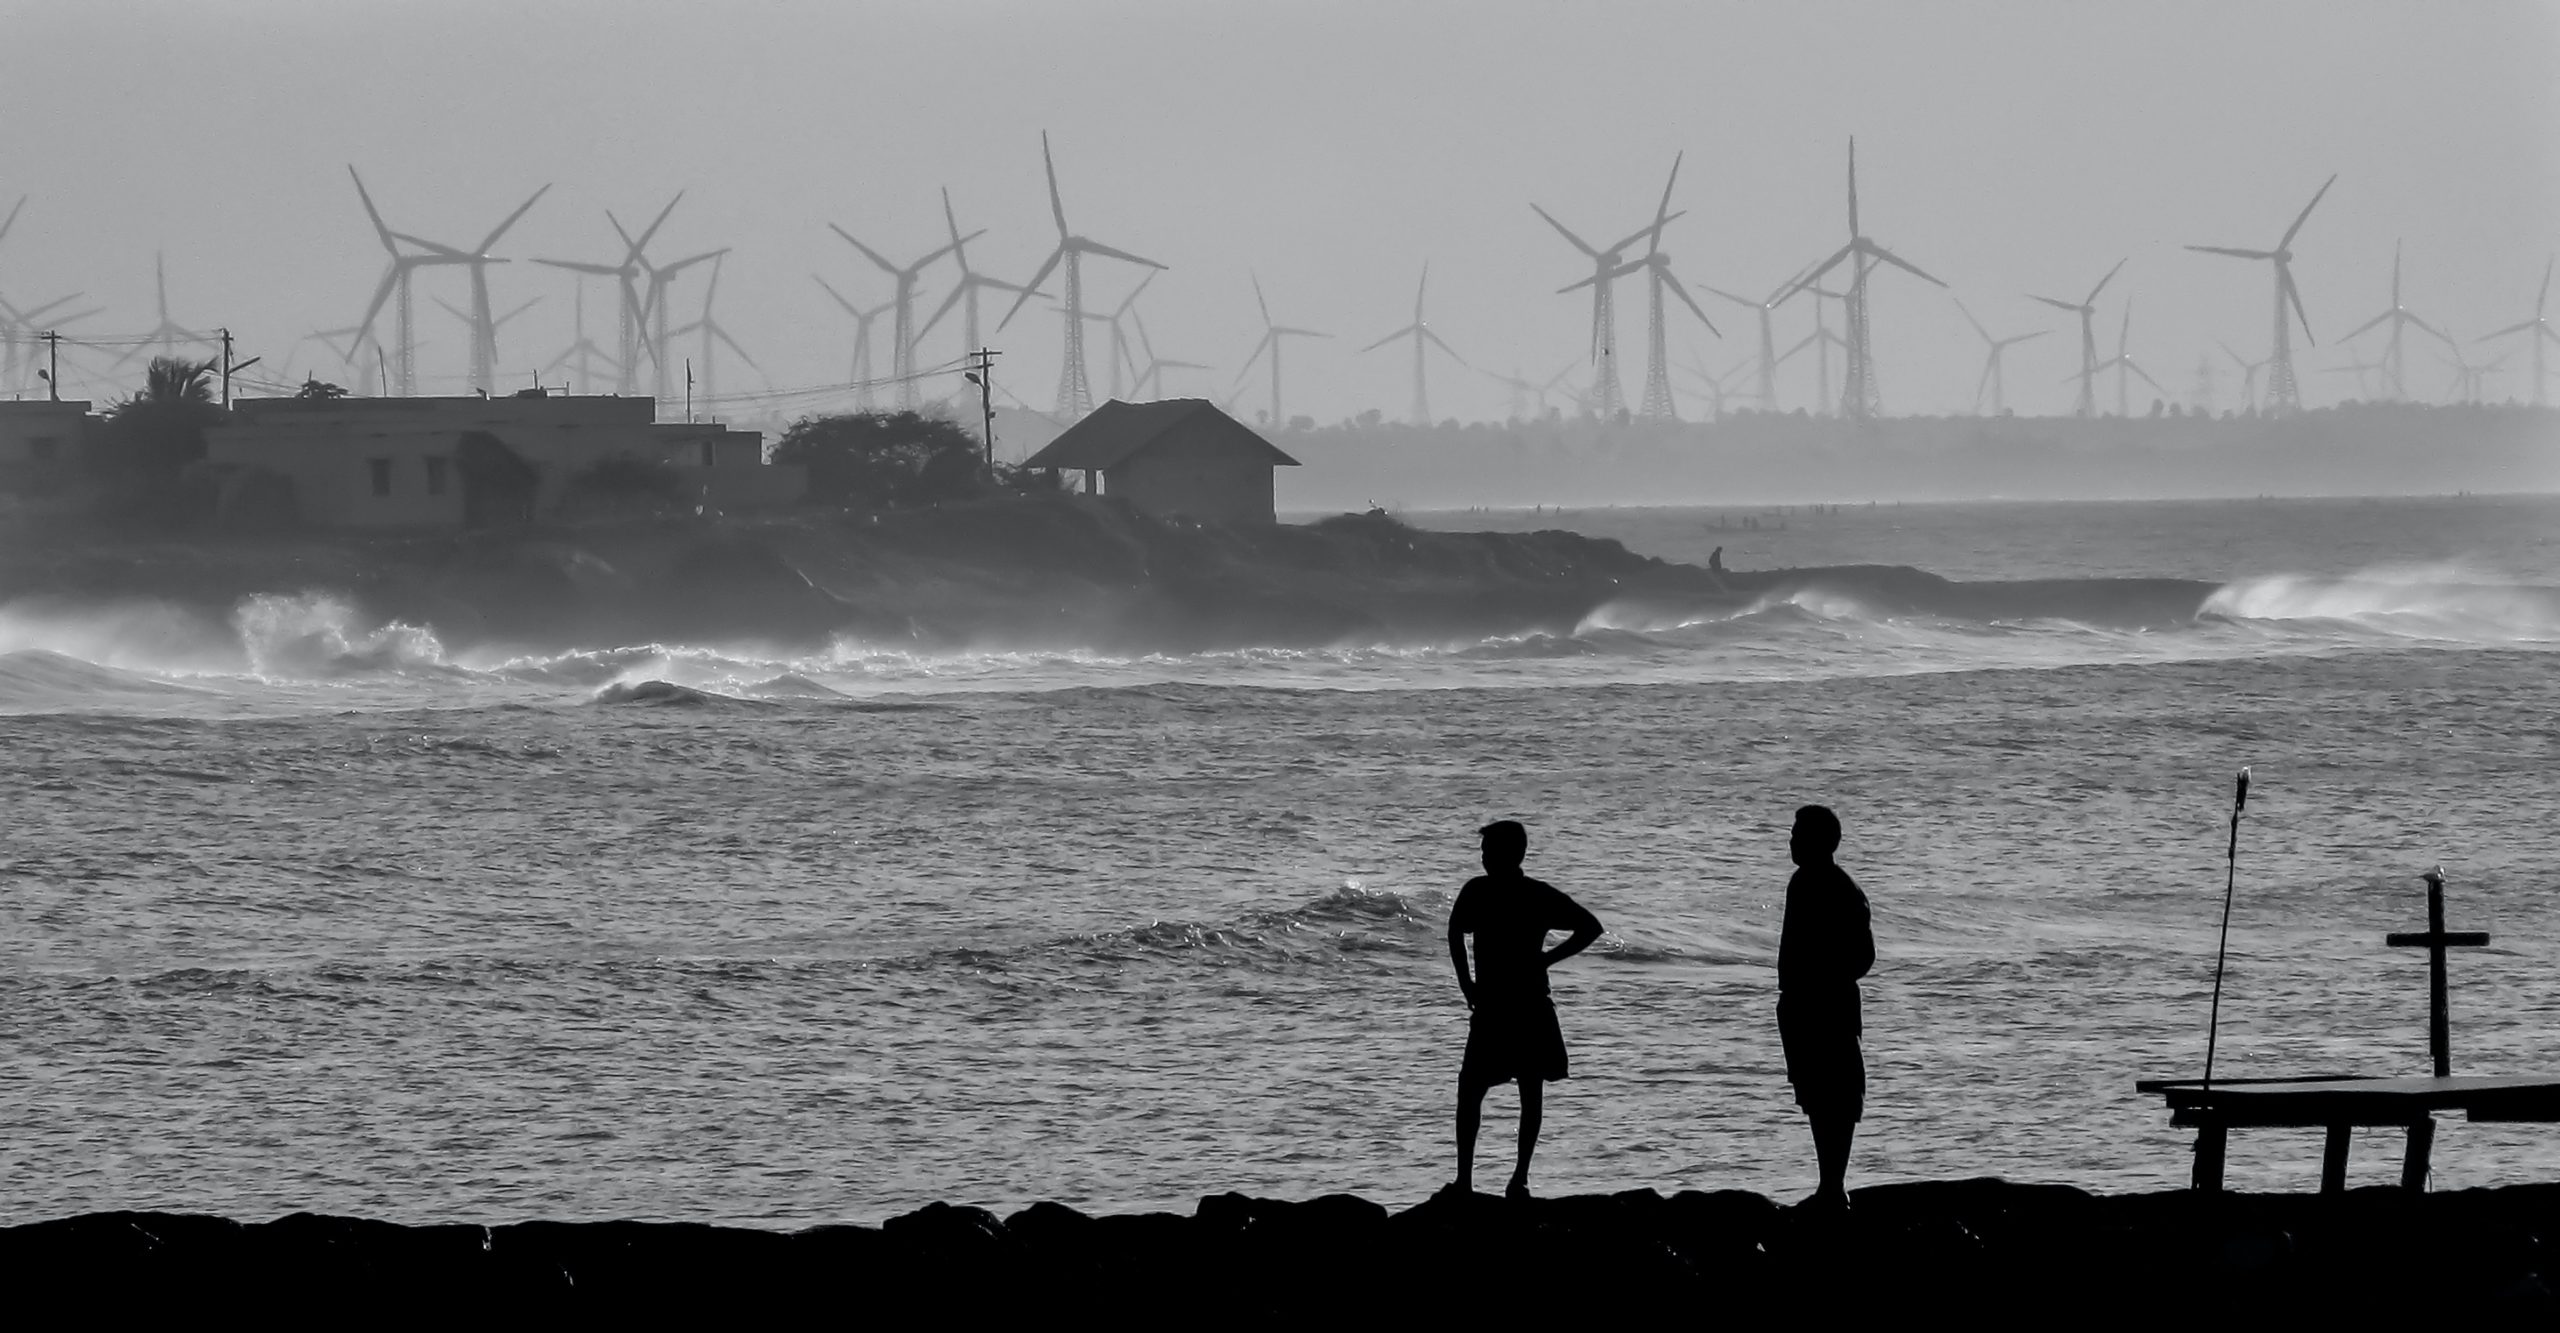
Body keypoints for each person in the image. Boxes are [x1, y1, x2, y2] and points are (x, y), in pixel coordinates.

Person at [1445, 820, 1604, 1201]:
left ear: (1508, 855)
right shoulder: (1520, 893)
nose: (1483, 858)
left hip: (1514, 1005)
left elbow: (1590, 927)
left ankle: (1503, 1180)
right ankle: (1491, 1180)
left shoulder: (1493, 892)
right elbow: (1589, 928)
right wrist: (1468, 983)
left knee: (1493, 1091)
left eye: (1488, 852)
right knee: (1491, 1090)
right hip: (1513, 1004)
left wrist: (1546, 960)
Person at [1777, 804, 1875, 1211]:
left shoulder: (1832, 886)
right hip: (1806, 1003)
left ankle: (1833, 1186)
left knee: (1834, 1093)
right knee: (1818, 1094)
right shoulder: (1804, 882)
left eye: (1799, 834)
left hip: (1826, 1004)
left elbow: (1863, 956)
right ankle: (1830, 1184)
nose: (1791, 839)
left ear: (1821, 841)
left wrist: (1822, 982)